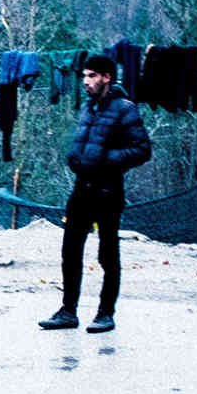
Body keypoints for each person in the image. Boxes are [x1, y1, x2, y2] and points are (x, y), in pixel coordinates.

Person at [39, 54, 151, 334]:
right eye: (84, 76)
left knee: (107, 253)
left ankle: (105, 313)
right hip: (81, 189)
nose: (85, 81)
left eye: (91, 76)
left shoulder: (125, 109)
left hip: (108, 191)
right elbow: (83, 144)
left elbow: (142, 150)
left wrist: (106, 159)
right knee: (70, 251)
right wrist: (75, 158)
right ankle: (68, 311)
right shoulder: (89, 108)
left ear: (106, 77)